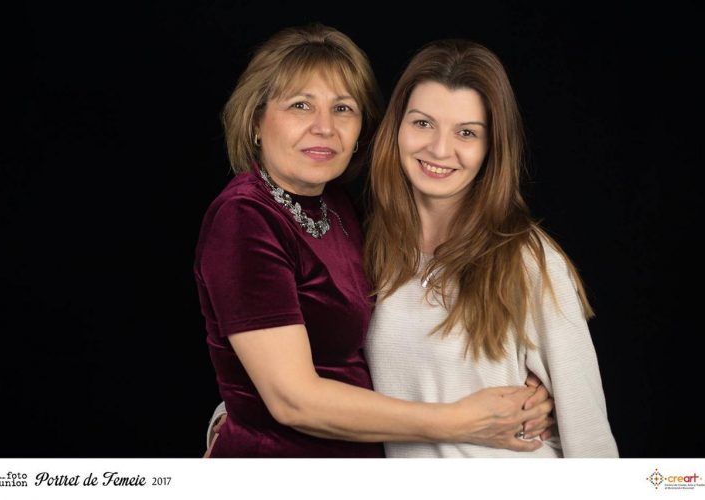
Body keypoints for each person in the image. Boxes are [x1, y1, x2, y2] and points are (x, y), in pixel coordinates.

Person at [195, 24, 555, 457]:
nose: (324, 128)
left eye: (342, 109)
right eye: (300, 105)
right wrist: (464, 421)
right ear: (256, 120)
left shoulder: (339, 207)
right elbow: (292, 401)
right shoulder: (244, 217)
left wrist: (530, 387)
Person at [363, 39, 619, 457]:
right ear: (396, 127)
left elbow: (588, 433)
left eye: (466, 132)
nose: (439, 149)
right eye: (423, 123)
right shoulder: (367, 246)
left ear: (491, 147)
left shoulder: (526, 259)